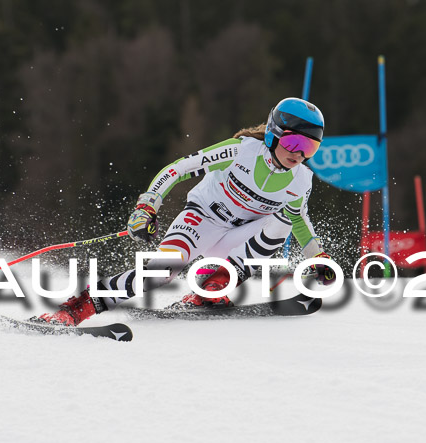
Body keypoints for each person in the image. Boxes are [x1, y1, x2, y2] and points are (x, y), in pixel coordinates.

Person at [37, 97, 336, 326]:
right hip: (202, 219)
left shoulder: (301, 180)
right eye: (294, 141)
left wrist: (317, 256)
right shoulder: (240, 151)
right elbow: (177, 169)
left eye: (310, 148)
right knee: (160, 273)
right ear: (272, 134)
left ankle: (211, 287)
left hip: (239, 238)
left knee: (281, 220)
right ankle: (76, 309)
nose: (298, 154)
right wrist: (148, 204)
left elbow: (298, 219)